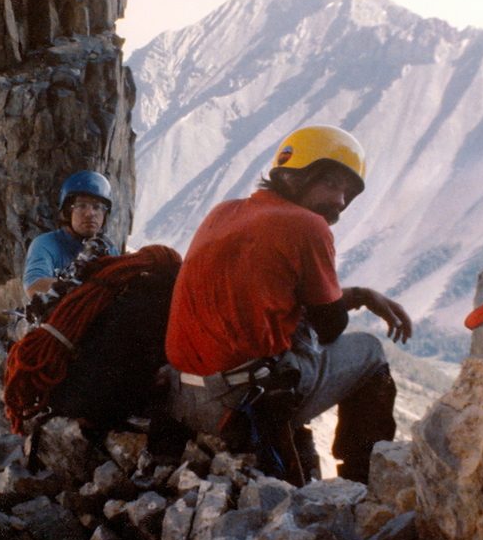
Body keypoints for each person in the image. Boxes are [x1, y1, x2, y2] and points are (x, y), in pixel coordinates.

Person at [163, 125, 412, 484]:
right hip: (236, 407)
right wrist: (350, 300)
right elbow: (331, 327)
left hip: (180, 397)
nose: (340, 201)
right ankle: (362, 483)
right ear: (294, 177)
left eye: (347, 192)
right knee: (370, 352)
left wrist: (358, 295)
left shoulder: (225, 212)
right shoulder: (307, 226)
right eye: (330, 183)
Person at [23, 170, 120, 298]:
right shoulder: (45, 244)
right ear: (68, 211)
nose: (90, 213)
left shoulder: (109, 250)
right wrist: (87, 287)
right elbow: (35, 285)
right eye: (81, 206)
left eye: (97, 207)